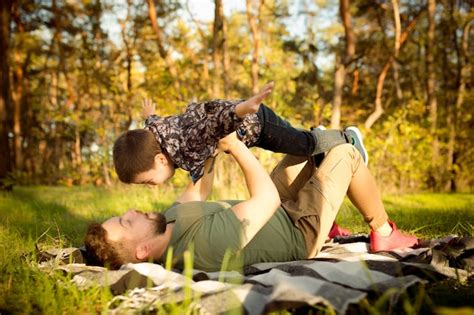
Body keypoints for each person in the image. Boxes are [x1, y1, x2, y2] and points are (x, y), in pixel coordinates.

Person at [85, 132, 418, 271]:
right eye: (126, 222)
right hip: (298, 230)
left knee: (306, 147)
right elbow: (267, 198)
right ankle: (384, 230)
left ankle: (332, 220)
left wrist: (211, 148)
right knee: (346, 154)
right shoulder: (203, 246)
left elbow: (199, 190)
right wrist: (236, 148)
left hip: (278, 212)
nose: (130, 211)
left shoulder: (168, 223)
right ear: (142, 251)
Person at [113, 82, 367, 184]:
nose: (152, 186)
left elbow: (214, 123)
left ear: (160, 159)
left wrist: (241, 110)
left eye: (148, 181)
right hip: (248, 123)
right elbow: (153, 123)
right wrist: (148, 115)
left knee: (303, 145)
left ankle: (347, 138)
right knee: (297, 142)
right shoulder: (158, 135)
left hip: (256, 122)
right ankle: (319, 137)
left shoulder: (186, 142)